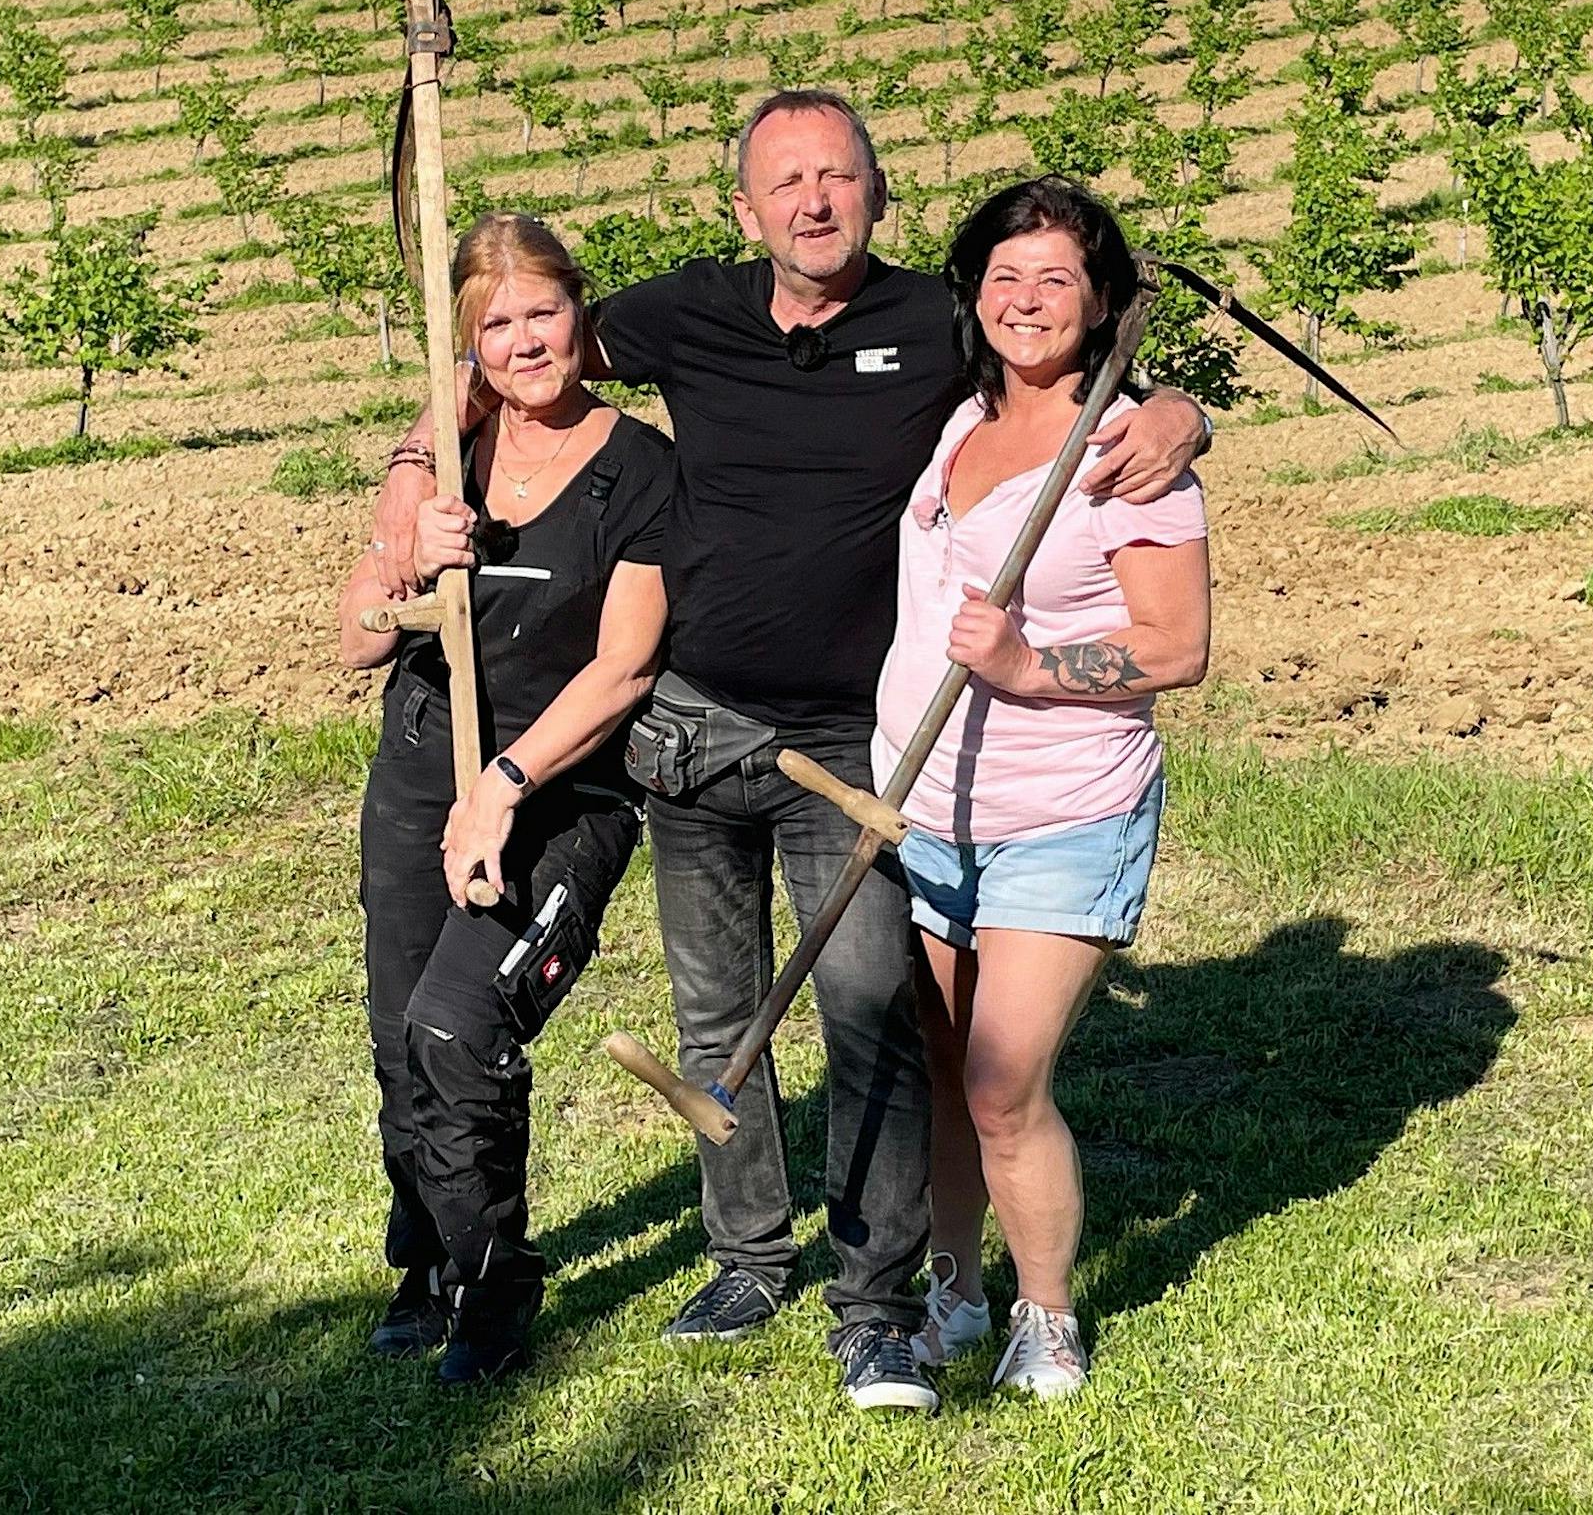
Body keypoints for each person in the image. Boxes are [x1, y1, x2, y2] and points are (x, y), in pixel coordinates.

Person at [370, 92, 1209, 1412]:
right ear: (745, 210)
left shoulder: (932, 323)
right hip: (692, 728)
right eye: (786, 184)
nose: (814, 203)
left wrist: (1176, 410)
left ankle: (875, 1307)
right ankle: (747, 1252)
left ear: (878, 193)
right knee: (717, 1015)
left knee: (866, 1012)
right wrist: (425, 462)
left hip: (846, 745)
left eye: (840, 178)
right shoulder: (678, 314)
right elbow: (507, 352)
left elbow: (1058, 355)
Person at [873, 178, 1210, 1401]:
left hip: (1063, 809)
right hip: (925, 808)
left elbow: (1175, 646)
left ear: (1101, 298)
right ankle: (954, 1289)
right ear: (971, 292)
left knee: (1004, 1080)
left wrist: (1024, 665)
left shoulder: (1125, 454)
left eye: (1055, 277)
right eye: (1004, 275)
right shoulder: (955, 420)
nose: (1026, 300)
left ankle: (1047, 1314)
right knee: (945, 1055)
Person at [338, 212, 673, 1386]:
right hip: (419, 765)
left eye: (543, 311)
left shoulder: (639, 465)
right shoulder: (447, 457)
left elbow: (624, 665)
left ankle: (494, 1278)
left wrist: (504, 782)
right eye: (496, 323)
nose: (525, 340)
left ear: (580, 314)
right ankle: (423, 1263)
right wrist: (404, 559)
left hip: (557, 790)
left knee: (458, 1028)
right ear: (465, 342)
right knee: (397, 1039)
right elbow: (352, 643)